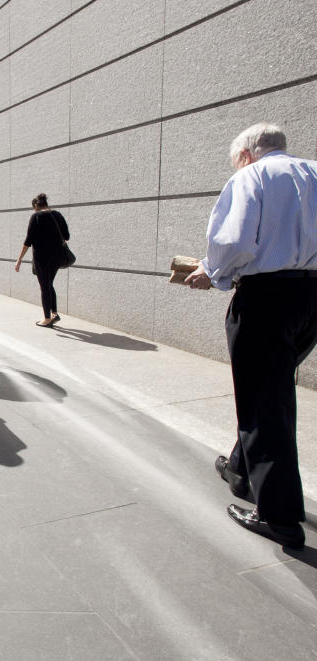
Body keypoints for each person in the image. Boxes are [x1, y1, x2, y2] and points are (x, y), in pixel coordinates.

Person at [185, 123, 317, 548]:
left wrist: (211, 271)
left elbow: (234, 240)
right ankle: (242, 471)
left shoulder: (251, 177)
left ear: (245, 154)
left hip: (268, 298)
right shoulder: (314, 172)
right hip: (312, 297)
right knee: (271, 389)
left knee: (265, 400)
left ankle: (279, 517)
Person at [13, 193, 70, 327]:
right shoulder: (58, 215)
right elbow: (67, 236)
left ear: (36, 206)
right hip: (57, 257)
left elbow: (28, 241)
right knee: (49, 284)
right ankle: (54, 313)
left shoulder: (36, 216)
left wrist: (19, 259)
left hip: (42, 258)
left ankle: (47, 318)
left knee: (45, 286)